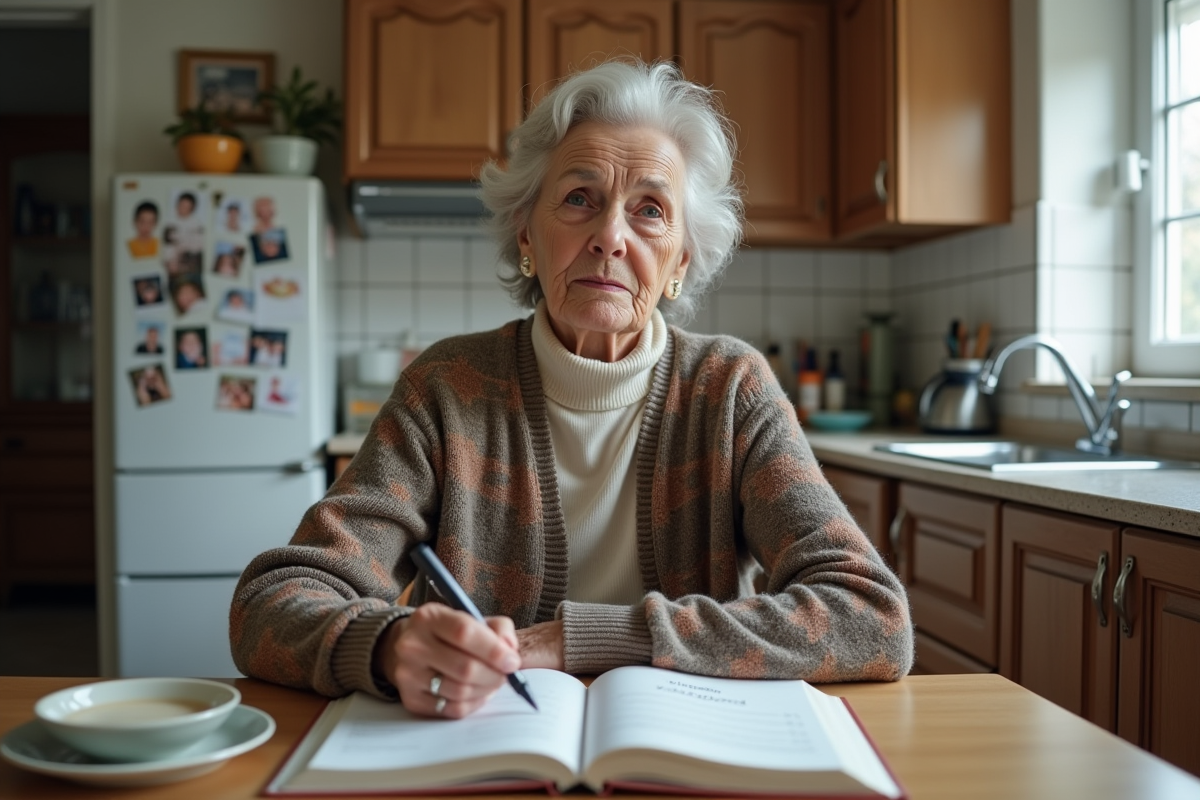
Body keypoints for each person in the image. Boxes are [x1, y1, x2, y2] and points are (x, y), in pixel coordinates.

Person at [230, 60, 912, 720]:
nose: (610, 237)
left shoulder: (729, 390)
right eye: (580, 198)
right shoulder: (446, 388)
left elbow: (872, 619)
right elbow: (272, 604)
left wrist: (577, 639)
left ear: (679, 261)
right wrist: (385, 646)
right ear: (527, 234)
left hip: (680, 753)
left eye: (649, 211)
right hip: (490, 748)